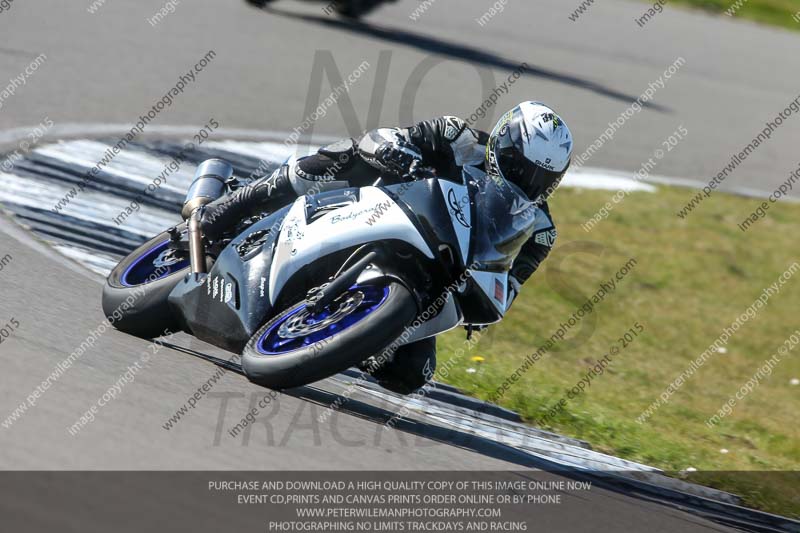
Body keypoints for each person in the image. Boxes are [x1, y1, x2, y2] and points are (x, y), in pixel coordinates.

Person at [201, 101, 573, 393]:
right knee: (343, 155)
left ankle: (347, 333)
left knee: (412, 374)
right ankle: (234, 205)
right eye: (521, 166)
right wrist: (395, 150)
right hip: (377, 205)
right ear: (503, 145)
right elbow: (380, 137)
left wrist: (483, 296)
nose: (530, 181)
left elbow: (508, 286)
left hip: (435, 271)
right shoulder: (458, 137)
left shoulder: (541, 230)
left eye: (544, 177)